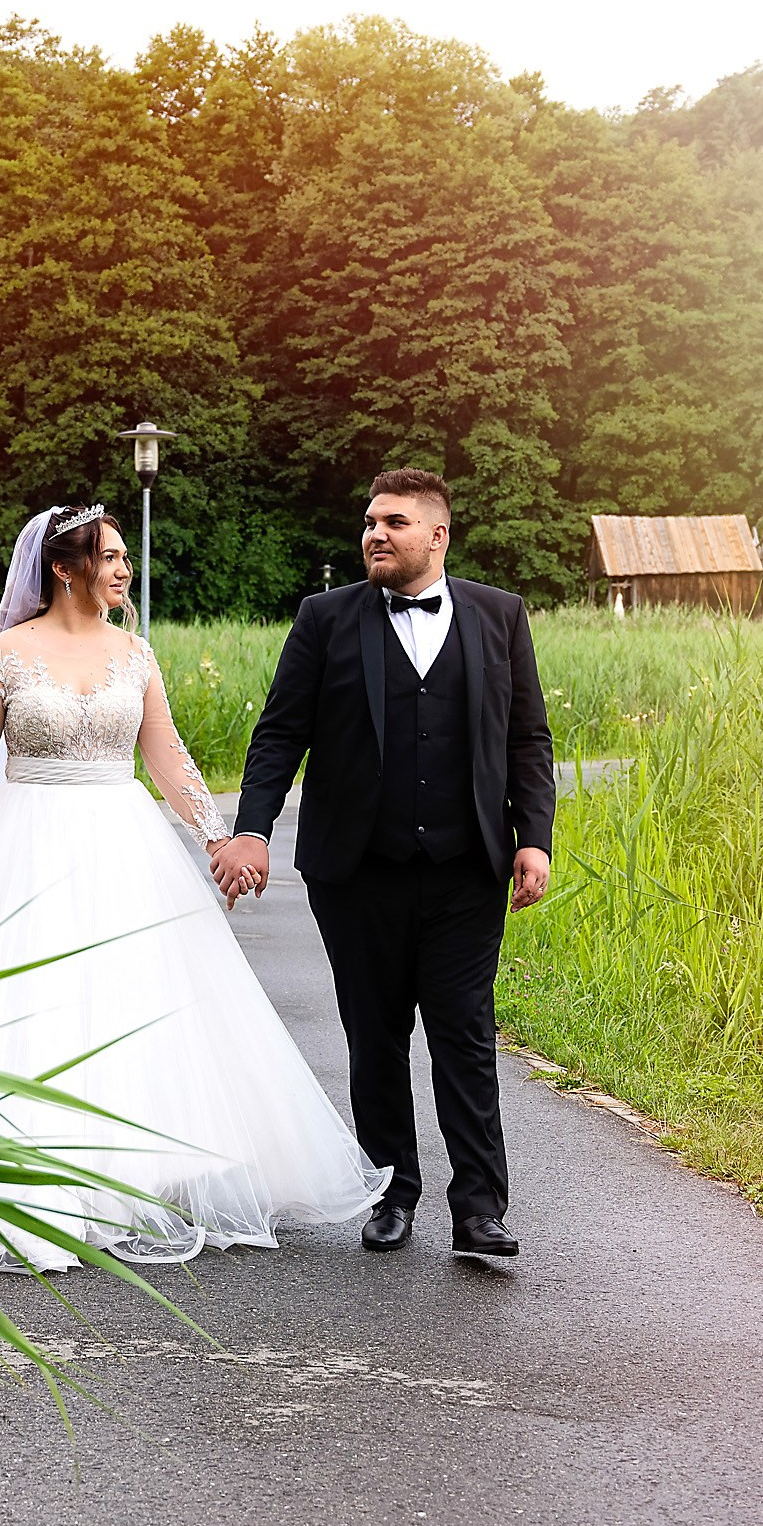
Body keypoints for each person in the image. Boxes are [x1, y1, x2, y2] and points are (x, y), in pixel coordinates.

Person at [0, 504, 387, 1274]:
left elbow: (166, 755)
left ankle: (124, 1176)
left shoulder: (135, 654)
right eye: (109, 557)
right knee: (30, 1003)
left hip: (123, 840)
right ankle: (22, 1178)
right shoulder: (6, 653)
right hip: (28, 840)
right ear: (63, 568)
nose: (123, 569)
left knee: (129, 999)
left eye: (123, 556)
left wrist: (218, 839)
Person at [210, 469, 555, 1259]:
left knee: (464, 1032)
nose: (375, 533)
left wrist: (532, 837)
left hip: (468, 865)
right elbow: (280, 733)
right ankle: (392, 1192)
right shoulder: (325, 617)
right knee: (375, 1034)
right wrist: (252, 829)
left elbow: (527, 738)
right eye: (370, 521)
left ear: (437, 535)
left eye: (394, 522)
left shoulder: (500, 615)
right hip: (356, 869)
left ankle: (479, 1209)